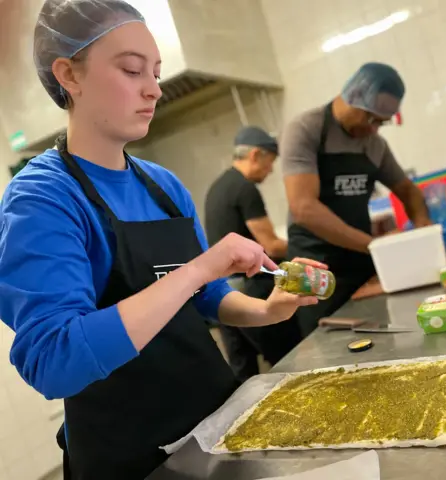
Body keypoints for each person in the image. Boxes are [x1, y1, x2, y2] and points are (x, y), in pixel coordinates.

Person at [0, 1, 323, 478]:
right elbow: (54, 360)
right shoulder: (42, 198)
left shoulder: (163, 186)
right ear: (69, 74)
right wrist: (201, 266)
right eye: (132, 70)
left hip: (212, 431)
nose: (153, 89)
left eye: (156, 72)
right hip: (130, 457)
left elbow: (206, 299)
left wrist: (266, 309)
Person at [281, 63, 432, 337]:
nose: (374, 129)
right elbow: (303, 208)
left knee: (380, 339)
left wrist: (423, 230)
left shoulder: (375, 146)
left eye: (382, 123)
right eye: (371, 119)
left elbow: (408, 191)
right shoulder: (307, 129)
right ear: (352, 96)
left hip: (361, 261)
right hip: (314, 266)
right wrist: (376, 246)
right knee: (327, 350)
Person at [204, 126, 300, 382]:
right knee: (288, 359)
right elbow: (269, 244)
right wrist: (304, 247)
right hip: (250, 287)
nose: (269, 171)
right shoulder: (245, 189)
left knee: (243, 370)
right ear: (256, 155)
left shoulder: (218, 187)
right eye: (270, 163)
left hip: (222, 293)